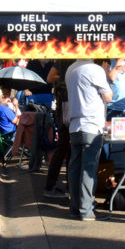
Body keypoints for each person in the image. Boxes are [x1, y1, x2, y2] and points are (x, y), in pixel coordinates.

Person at [66, 58, 123, 221]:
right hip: (91, 124)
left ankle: (75, 207)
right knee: (88, 169)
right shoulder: (95, 70)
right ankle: (86, 209)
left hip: (75, 124)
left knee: (75, 168)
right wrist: (105, 73)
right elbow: (109, 96)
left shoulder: (71, 68)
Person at [43, 61, 74, 199]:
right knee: (65, 147)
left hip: (74, 108)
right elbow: (50, 78)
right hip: (66, 106)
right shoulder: (65, 59)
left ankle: (69, 187)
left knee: (70, 149)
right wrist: (70, 78)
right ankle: (52, 186)